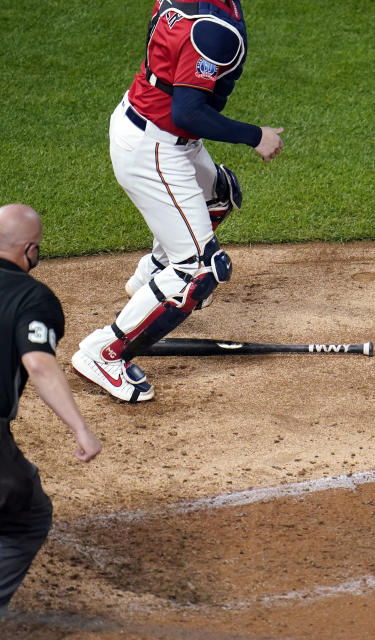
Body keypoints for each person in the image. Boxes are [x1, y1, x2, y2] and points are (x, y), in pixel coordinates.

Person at [71, 0, 285, 402]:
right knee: (201, 270)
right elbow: (187, 112)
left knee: (217, 197)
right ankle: (103, 352)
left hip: (149, 125)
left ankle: (150, 276)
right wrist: (254, 135)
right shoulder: (214, 29)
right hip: (155, 149)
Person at [0, 204, 102, 622]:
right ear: (29, 250)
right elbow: (39, 364)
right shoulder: (32, 297)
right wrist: (81, 428)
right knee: (27, 514)